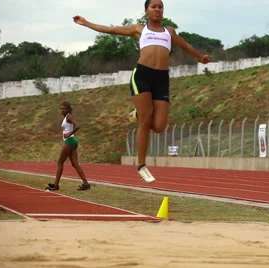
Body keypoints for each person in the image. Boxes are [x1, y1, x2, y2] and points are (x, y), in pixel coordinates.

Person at [72, 0, 211, 183]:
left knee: (159, 126)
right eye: (153, 6)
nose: (157, 10)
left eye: (160, 7)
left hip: (161, 78)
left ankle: (138, 113)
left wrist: (200, 57)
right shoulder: (139, 29)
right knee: (146, 122)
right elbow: (112, 30)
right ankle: (142, 165)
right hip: (142, 75)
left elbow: (185, 45)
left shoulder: (169, 32)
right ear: (146, 10)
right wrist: (87, 23)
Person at [46, 101, 91, 191]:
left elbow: (77, 125)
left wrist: (69, 133)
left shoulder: (69, 116)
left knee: (60, 162)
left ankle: (56, 185)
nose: (62, 110)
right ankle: (86, 184)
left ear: (68, 109)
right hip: (72, 141)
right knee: (75, 164)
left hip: (70, 141)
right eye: (61, 108)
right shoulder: (66, 117)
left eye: (64, 108)